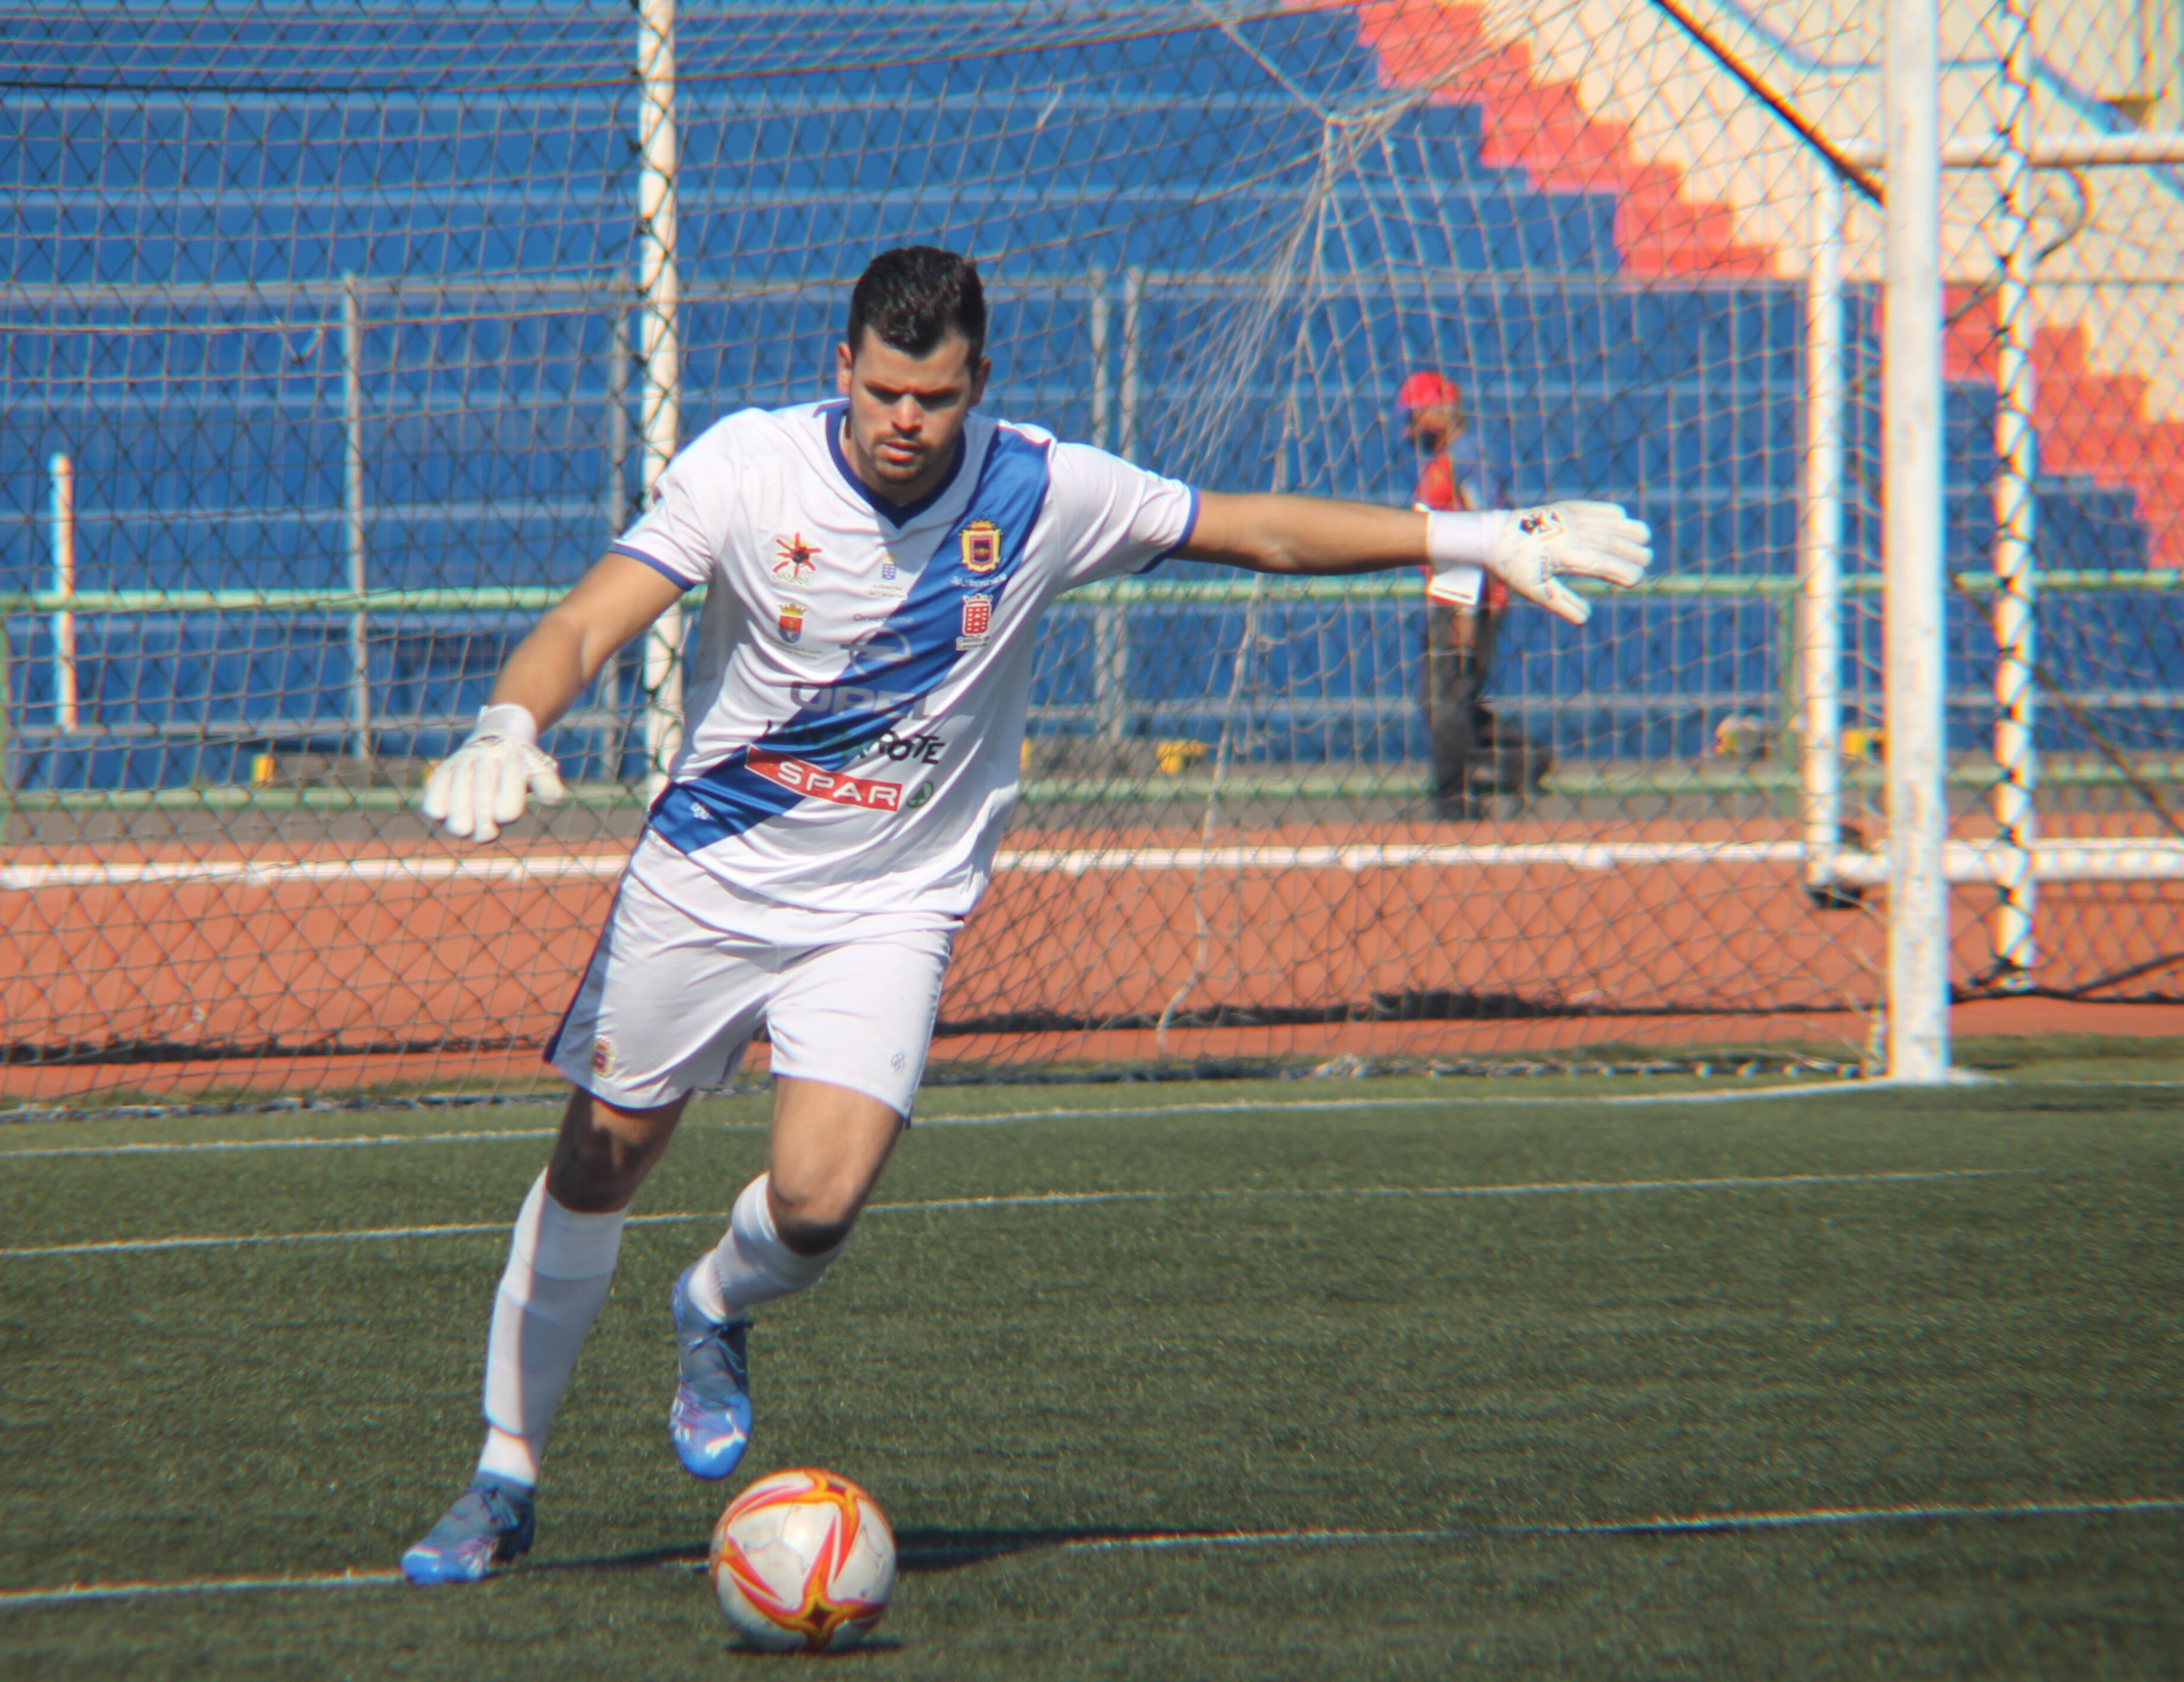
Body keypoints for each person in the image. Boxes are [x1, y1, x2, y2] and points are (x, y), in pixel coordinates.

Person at [399, 248, 1650, 1582]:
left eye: (932, 398)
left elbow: (1257, 529)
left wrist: (1478, 535)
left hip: (889, 906)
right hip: (706, 878)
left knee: (817, 1204)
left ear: (976, 384)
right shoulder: (747, 468)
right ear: (842, 368)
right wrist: (506, 717)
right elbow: (593, 617)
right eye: (881, 389)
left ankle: (711, 1300)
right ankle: (502, 1474)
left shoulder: (1044, 487)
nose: (902, 420)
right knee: (599, 1161)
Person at [1401, 370, 1553, 820]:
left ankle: (1454, 797)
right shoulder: (1449, 458)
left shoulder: (1465, 459)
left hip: (1470, 596)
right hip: (1450, 592)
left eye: (1416, 417)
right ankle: (1523, 759)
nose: (1411, 430)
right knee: (1443, 698)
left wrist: (1470, 611)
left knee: (1445, 699)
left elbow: (1485, 532)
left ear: (1439, 413)